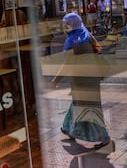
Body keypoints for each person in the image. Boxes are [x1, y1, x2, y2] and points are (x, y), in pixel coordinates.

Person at [51, 13, 112, 154]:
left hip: (80, 80)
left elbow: (66, 65)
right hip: (92, 78)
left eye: (67, 24)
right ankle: (68, 128)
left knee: (88, 108)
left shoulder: (71, 41)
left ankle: (104, 137)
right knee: (80, 104)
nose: (65, 27)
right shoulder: (87, 34)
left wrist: (55, 80)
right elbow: (99, 51)